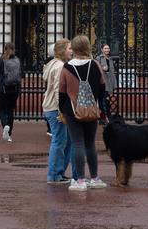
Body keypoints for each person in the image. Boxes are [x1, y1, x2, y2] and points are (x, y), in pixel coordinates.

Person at [59, 34, 107, 191]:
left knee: (77, 143)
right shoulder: (95, 65)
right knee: (90, 144)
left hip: (72, 111)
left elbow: (62, 92)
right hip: (92, 110)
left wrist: (62, 109)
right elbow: (102, 89)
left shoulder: (67, 67)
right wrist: (101, 108)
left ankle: (80, 180)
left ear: (74, 48)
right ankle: (94, 178)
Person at [42, 38, 76, 184]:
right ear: (62, 50)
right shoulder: (60, 66)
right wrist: (62, 111)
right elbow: (58, 90)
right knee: (59, 141)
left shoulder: (52, 64)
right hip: (56, 109)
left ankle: (59, 172)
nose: (71, 51)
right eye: (69, 48)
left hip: (52, 107)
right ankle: (54, 175)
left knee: (65, 141)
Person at [0, 42, 22, 142]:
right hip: (15, 89)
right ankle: (9, 135)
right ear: (14, 49)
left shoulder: (0, 60)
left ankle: (5, 125)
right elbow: (21, 75)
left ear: (4, 49)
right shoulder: (17, 60)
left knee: (2, 109)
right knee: (10, 110)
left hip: (3, 89)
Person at [96, 42, 117, 117]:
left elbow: (112, 72)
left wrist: (114, 84)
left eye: (108, 48)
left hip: (109, 82)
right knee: (103, 100)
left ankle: (107, 115)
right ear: (102, 50)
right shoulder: (99, 58)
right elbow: (96, 69)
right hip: (102, 82)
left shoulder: (110, 59)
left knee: (107, 99)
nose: (107, 50)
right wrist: (102, 68)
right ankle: (104, 116)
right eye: (105, 48)